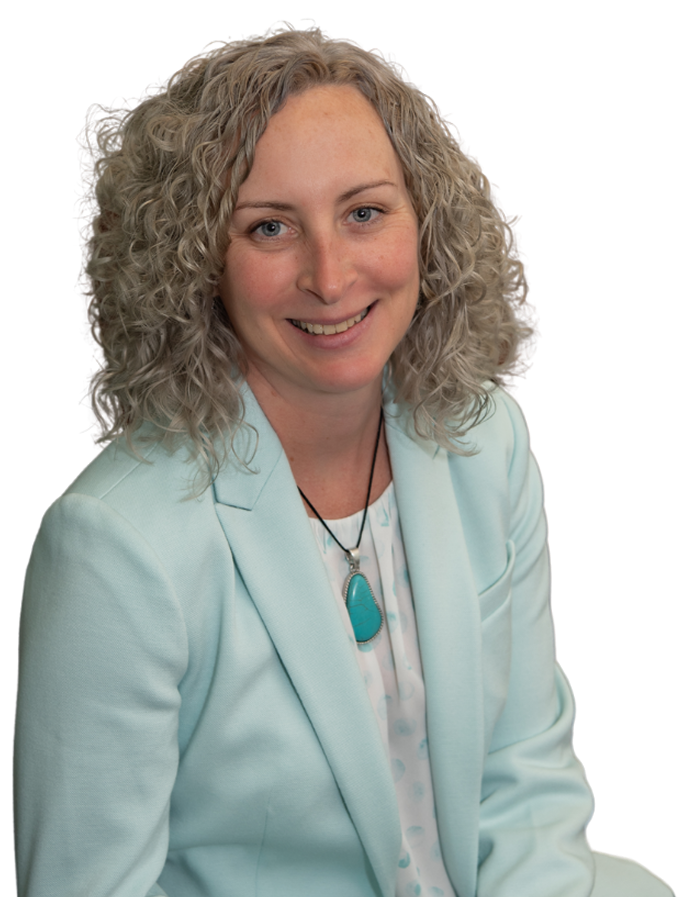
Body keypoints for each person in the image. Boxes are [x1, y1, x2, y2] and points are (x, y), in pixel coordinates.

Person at [13, 21, 675, 897]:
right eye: (269, 228)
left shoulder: (489, 442)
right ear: (195, 261)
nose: (330, 277)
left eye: (364, 212)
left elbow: (524, 780)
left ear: (425, 224)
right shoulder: (115, 546)